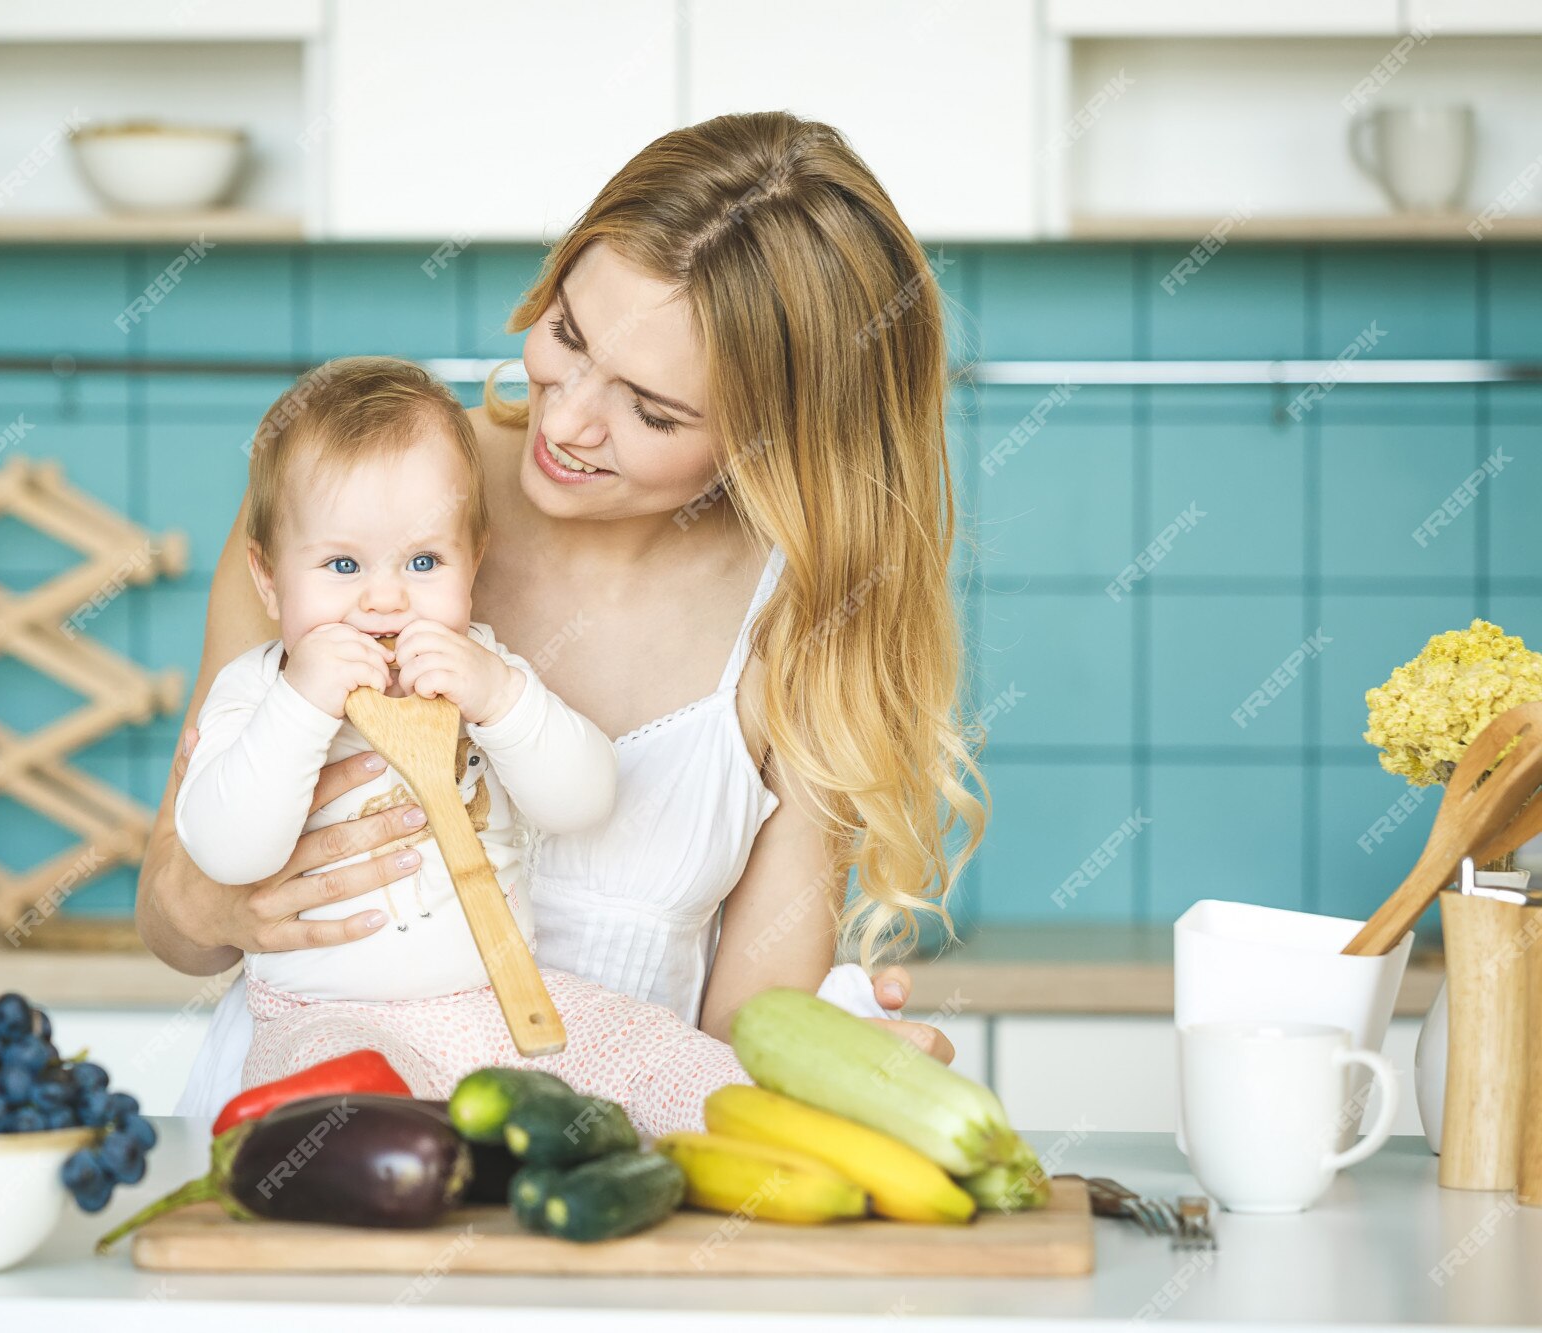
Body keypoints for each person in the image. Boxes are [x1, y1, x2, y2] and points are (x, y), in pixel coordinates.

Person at [138, 110, 983, 1120]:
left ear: (777, 437)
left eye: (651, 411)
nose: (568, 419)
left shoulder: (807, 618)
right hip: (324, 1127)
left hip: (605, 1182)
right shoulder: (356, 504)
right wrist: (225, 897)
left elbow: (747, 1031)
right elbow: (175, 920)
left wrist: (838, 1062)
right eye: (568, 336)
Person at [174, 355, 758, 1136]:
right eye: (342, 565)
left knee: (672, 1061)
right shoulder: (257, 694)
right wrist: (300, 703)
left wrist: (501, 698)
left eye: (424, 562)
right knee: (345, 1118)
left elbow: (585, 800)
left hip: (502, 1000)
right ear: (270, 579)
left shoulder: (480, 667)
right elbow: (228, 850)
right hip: (328, 1016)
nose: (386, 597)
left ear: (473, 561)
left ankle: (771, 1141)